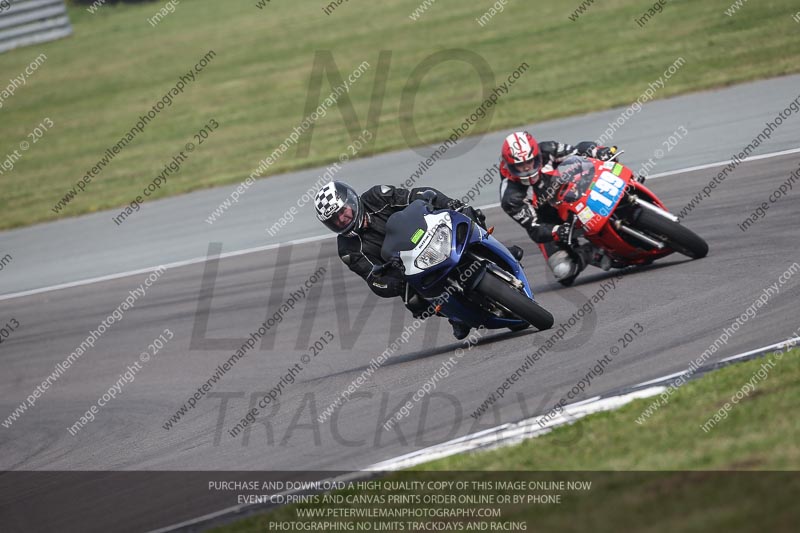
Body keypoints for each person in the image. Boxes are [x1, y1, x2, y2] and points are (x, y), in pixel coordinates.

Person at [314, 181, 494, 340]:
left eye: (343, 212)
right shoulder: (348, 249)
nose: (342, 219)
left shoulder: (376, 196)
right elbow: (373, 279)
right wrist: (397, 284)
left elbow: (416, 195)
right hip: (409, 268)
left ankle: (493, 251)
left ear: (351, 201)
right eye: (335, 220)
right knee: (414, 301)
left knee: (468, 214)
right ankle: (456, 316)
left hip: (431, 234)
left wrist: (448, 203)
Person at [498, 131, 621, 283]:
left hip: (576, 193)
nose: (526, 168)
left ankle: (631, 189)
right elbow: (535, 229)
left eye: (529, 162)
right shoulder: (510, 197)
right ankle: (592, 253)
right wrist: (557, 231)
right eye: (519, 165)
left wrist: (598, 151)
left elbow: (579, 151)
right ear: (509, 165)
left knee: (610, 162)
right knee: (563, 271)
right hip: (549, 221)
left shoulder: (548, 150)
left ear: (537, 155)